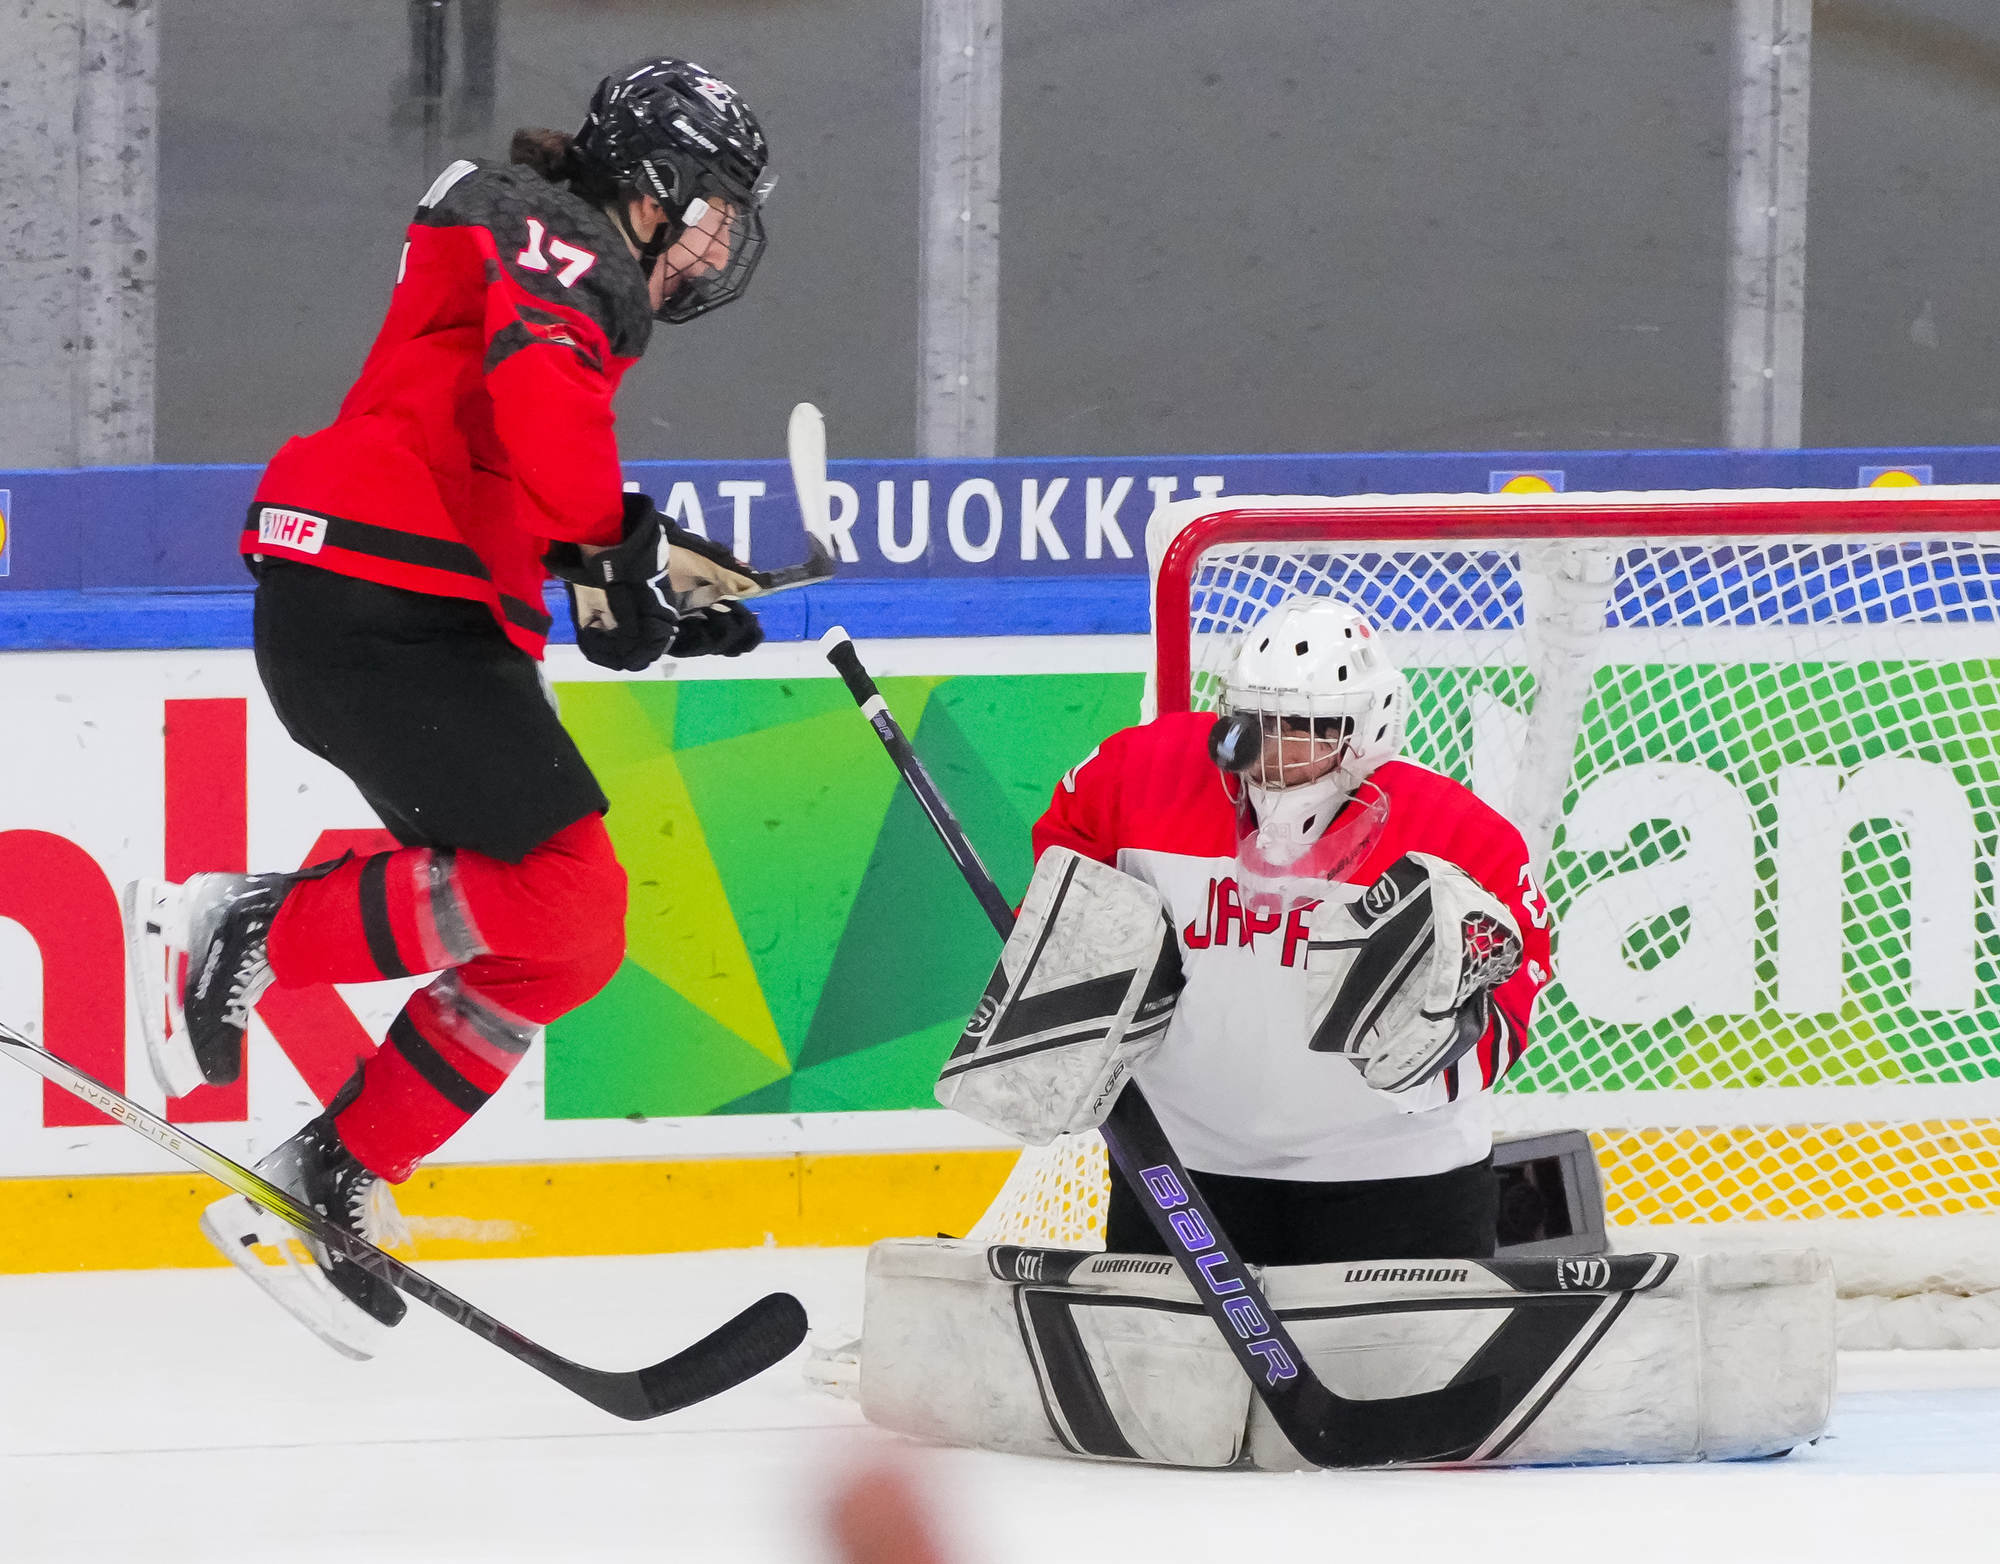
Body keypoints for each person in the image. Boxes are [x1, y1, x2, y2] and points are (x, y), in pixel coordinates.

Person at [124, 58, 777, 1337]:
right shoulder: (554, 235)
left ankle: (333, 1169)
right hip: (383, 599)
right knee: (566, 899)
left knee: (565, 926)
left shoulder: (546, 249)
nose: (711, 250)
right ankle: (246, 930)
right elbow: (543, 400)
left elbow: (509, 443)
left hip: (399, 604)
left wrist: (635, 577)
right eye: (707, 211)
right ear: (650, 186)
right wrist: (613, 545)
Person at [1031, 594, 1553, 1266]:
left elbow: (1516, 982)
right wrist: (1079, 984)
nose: (1271, 751)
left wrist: (1438, 1062)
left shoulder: (1458, 834)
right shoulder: (1141, 777)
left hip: (1398, 1173)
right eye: (1255, 722)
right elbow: (1063, 866)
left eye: (1304, 727)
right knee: (1160, 1341)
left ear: (1368, 726)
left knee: (1399, 1345)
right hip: (1184, 1160)